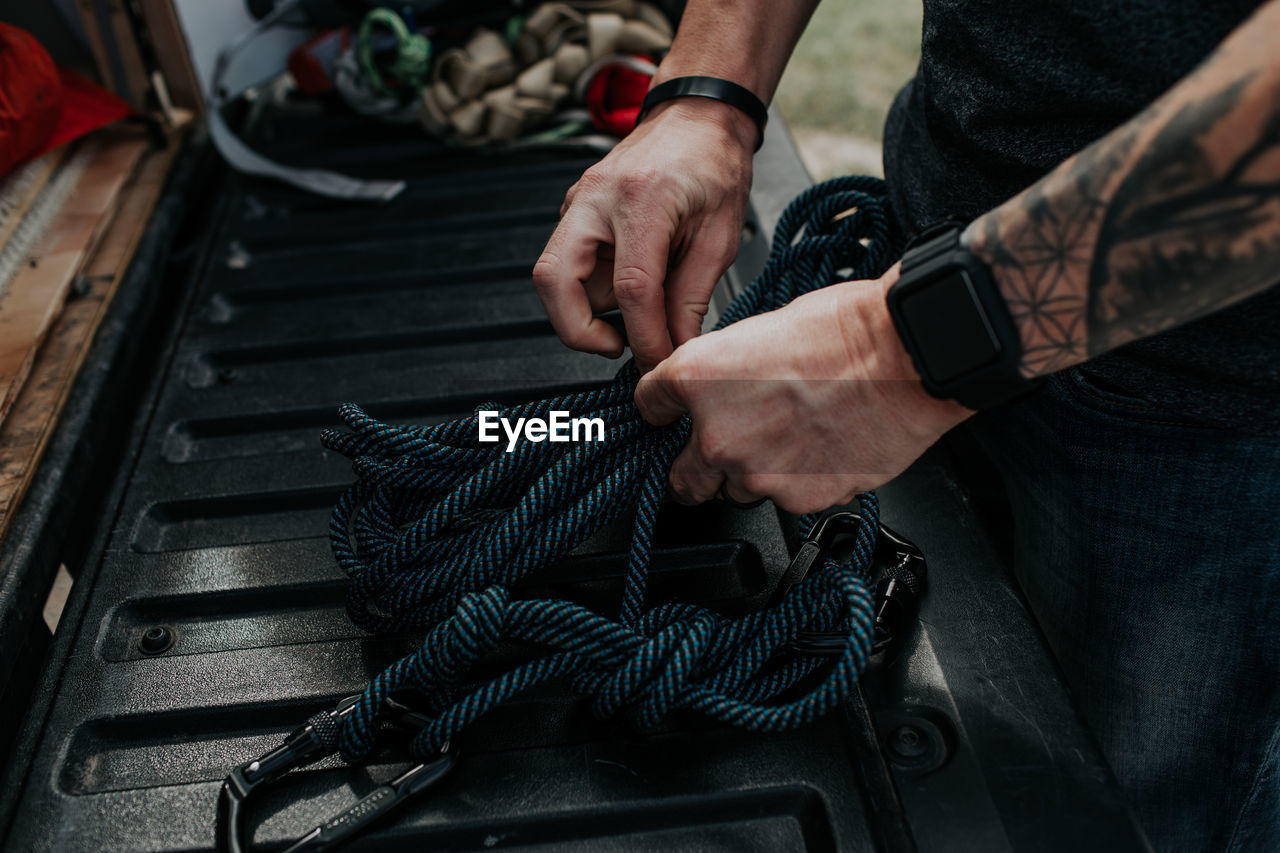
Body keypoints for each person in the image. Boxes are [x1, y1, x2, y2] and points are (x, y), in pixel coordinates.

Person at [532, 0, 1280, 848]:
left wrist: (895, 353)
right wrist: (709, 94)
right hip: (933, 244)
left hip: (1214, 421)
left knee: (1142, 818)